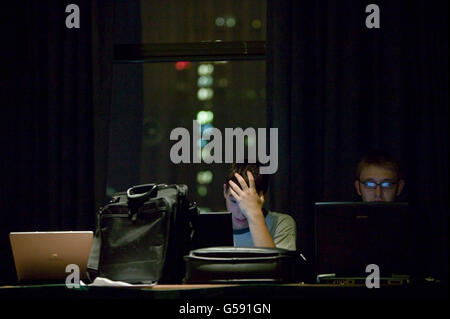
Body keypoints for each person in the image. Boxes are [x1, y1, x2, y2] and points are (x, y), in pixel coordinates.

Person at [223, 162, 297, 250]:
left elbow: (273, 263)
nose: (240, 213)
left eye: (248, 204)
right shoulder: (212, 228)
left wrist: (254, 214)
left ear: (263, 197)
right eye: (234, 201)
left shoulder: (279, 223)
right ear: (224, 191)